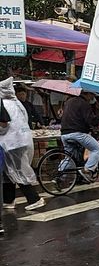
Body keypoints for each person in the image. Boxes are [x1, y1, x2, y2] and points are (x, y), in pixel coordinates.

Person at [0, 77, 45, 211]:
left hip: (11, 142)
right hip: (22, 140)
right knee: (8, 171)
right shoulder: (17, 103)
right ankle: (8, 200)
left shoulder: (3, 104)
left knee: (17, 171)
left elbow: (4, 125)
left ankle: (34, 199)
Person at [60, 90, 99, 182]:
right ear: (87, 94)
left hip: (64, 134)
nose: (92, 97)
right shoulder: (84, 103)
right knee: (97, 149)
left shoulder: (69, 101)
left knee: (69, 158)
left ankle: (59, 176)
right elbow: (91, 121)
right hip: (77, 134)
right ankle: (87, 170)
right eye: (92, 95)